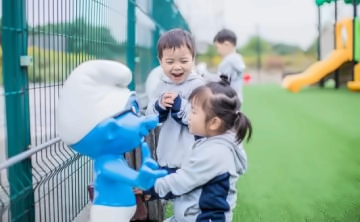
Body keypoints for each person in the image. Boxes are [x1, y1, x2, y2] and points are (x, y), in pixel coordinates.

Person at [151, 75, 253, 222]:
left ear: (214, 123)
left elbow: (183, 180)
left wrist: (151, 187)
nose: (189, 115)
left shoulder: (217, 153)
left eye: (193, 111)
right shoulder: (211, 142)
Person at [145, 28, 205, 172]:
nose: (177, 67)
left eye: (184, 61)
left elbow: (203, 119)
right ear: (161, 61)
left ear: (193, 59)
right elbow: (149, 114)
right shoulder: (163, 84)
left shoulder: (198, 85)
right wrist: (159, 105)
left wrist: (180, 105)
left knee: (187, 192)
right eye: (170, 61)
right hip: (166, 155)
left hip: (191, 158)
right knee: (168, 190)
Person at [213, 28, 246, 103]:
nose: (217, 51)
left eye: (217, 47)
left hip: (227, 101)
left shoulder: (227, 62)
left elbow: (220, 83)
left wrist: (204, 74)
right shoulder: (238, 58)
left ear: (226, 44)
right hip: (237, 99)